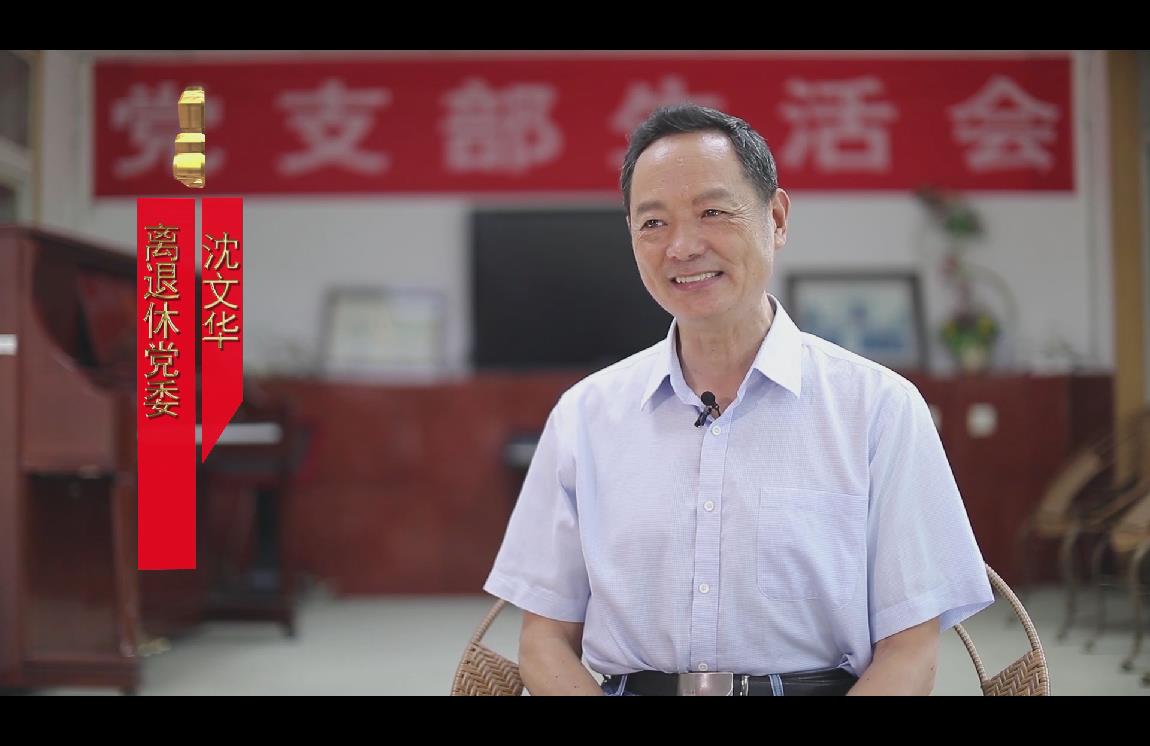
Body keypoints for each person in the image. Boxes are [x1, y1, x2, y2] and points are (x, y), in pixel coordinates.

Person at [482, 103, 994, 696]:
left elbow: (911, 650)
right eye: (654, 223)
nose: (682, 246)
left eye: (713, 212)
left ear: (776, 218)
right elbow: (543, 642)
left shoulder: (879, 408)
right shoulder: (584, 416)